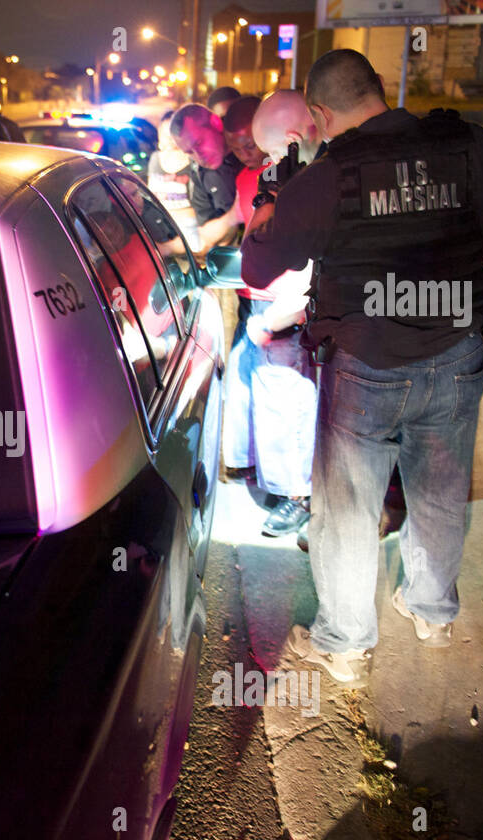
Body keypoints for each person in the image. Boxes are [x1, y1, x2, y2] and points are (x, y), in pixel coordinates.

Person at [242, 49, 483, 684]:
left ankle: (346, 644)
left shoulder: (325, 177)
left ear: (317, 115)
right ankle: (433, 611)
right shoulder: (470, 147)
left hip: (365, 365)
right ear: (378, 90)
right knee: (439, 489)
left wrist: (273, 197)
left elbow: (258, 270)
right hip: (458, 354)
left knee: (348, 508)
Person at [217, 93, 318, 536]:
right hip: (264, 299)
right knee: (261, 394)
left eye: (265, 148)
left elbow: (308, 263)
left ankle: (299, 495)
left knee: (287, 403)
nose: (258, 157)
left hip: (285, 306)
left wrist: (276, 317)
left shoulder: (307, 181)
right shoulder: (270, 180)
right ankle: (274, 477)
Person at [170, 104, 243, 251]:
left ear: (216, 123)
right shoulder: (199, 173)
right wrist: (235, 214)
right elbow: (206, 234)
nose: (198, 156)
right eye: (189, 152)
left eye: (199, 143)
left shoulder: (251, 145)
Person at [147, 111, 198, 246]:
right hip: (162, 232)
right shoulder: (155, 159)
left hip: (190, 232)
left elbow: (200, 205)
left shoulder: (194, 161)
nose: (169, 138)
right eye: (165, 134)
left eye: (172, 133)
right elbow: (151, 198)